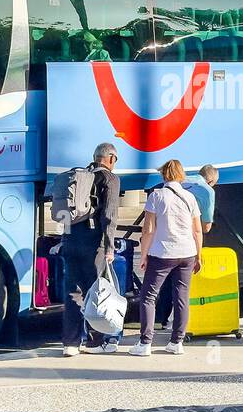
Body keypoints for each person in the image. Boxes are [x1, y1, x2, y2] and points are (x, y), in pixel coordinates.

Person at [133, 159, 203, 357]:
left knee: (148, 296)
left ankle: (145, 343)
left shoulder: (156, 196)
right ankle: (176, 342)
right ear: (181, 175)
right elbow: (197, 230)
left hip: (162, 253)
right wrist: (199, 255)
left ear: (163, 175)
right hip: (187, 253)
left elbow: (148, 229)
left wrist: (144, 254)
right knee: (181, 297)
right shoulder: (190, 197)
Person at [61, 142, 122, 357]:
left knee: (72, 292)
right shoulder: (110, 179)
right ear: (111, 158)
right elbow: (109, 216)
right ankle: (95, 342)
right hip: (93, 243)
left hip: (70, 241)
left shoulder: (78, 177)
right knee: (95, 291)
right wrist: (109, 246)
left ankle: (70, 343)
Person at [157, 163, 219, 330]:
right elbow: (204, 228)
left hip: (163, 242)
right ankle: (178, 330)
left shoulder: (177, 183)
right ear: (211, 180)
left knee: (162, 283)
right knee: (182, 289)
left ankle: (161, 319)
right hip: (186, 244)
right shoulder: (207, 190)